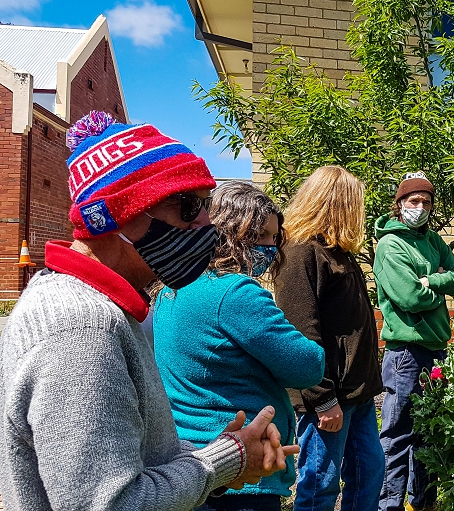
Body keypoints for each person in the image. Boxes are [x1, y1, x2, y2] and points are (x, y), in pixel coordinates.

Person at [0, 111, 296, 510]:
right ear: (118, 215)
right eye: (189, 206)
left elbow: (128, 456)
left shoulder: (88, 306)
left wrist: (228, 456)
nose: (207, 224)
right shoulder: (83, 330)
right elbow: (112, 503)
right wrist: (225, 460)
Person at [153, 181, 326, 511]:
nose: (271, 247)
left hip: (189, 462)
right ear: (230, 233)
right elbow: (307, 366)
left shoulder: (172, 289)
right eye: (260, 236)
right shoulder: (236, 293)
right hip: (242, 471)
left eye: (275, 238)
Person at [273, 166, 385, 511]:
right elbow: (300, 333)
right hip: (328, 396)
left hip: (358, 393)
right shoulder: (299, 253)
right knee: (319, 484)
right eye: (355, 204)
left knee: (369, 473)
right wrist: (322, 397)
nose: (359, 213)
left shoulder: (336, 251)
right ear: (336, 204)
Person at [374, 172, 454, 511]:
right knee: (398, 435)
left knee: (429, 434)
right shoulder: (390, 244)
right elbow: (410, 297)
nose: (421, 207)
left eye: (426, 202)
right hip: (406, 354)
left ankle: (423, 502)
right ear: (400, 204)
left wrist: (432, 282)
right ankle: (389, 504)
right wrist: (434, 292)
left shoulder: (433, 240)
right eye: (414, 201)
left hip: (436, 350)